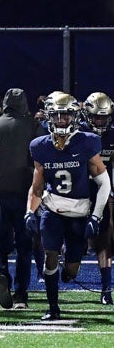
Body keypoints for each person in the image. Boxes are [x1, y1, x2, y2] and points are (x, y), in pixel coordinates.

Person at [26, 92, 110, 320]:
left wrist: (96, 216)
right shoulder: (40, 146)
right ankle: (53, 307)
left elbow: (104, 183)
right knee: (50, 254)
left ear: (74, 117)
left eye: (66, 115)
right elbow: (36, 186)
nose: (61, 120)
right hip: (52, 209)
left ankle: (66, 273)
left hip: (80, 211)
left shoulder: (87, 141)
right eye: (56, 115)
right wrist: (29, 212)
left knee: (72, 270)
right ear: (49, 117)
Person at [0, 88, 45, 309]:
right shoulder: (33, 125)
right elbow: (41, 159)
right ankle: (21, 294)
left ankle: (2, 272)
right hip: (25, 193)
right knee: (25, 246)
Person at [81, 92, 114, 304]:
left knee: (105, 241)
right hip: (76, 194)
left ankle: (106, 289)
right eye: (96, 117)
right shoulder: (78, 134)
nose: (99, 121)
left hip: (101, 193)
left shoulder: (112, 136)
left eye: (103, 117)